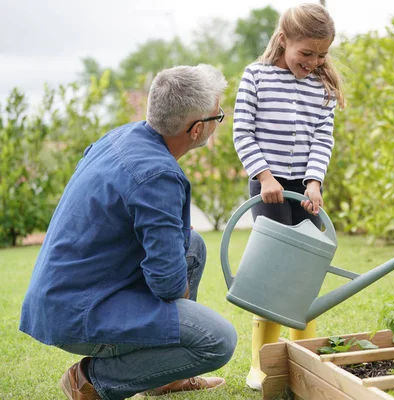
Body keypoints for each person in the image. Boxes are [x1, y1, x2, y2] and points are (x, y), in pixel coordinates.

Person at [19, 64, 237, 400]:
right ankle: (91, 380)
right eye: (217, 116)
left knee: (192, 244)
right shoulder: (157, 174)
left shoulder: (121, 137)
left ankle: (163, 377)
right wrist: (175, 307)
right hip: (81, 310)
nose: (218, 121)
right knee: (218, 340)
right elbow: (166, 284)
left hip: (66, 295)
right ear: (196, 130)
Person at [232, 3, 345, 390]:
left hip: (305, 188)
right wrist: (264, 176)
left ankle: (304, 360)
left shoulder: (321, 88)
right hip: (269, 187)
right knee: (271, 276)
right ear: (284, 40)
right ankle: (261, 366)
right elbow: (243, 133)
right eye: (306, 53)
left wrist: (314, 183)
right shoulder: (256, 77)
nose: (313, 62)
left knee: (305, 274)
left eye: (321, 55)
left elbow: (322, 140)